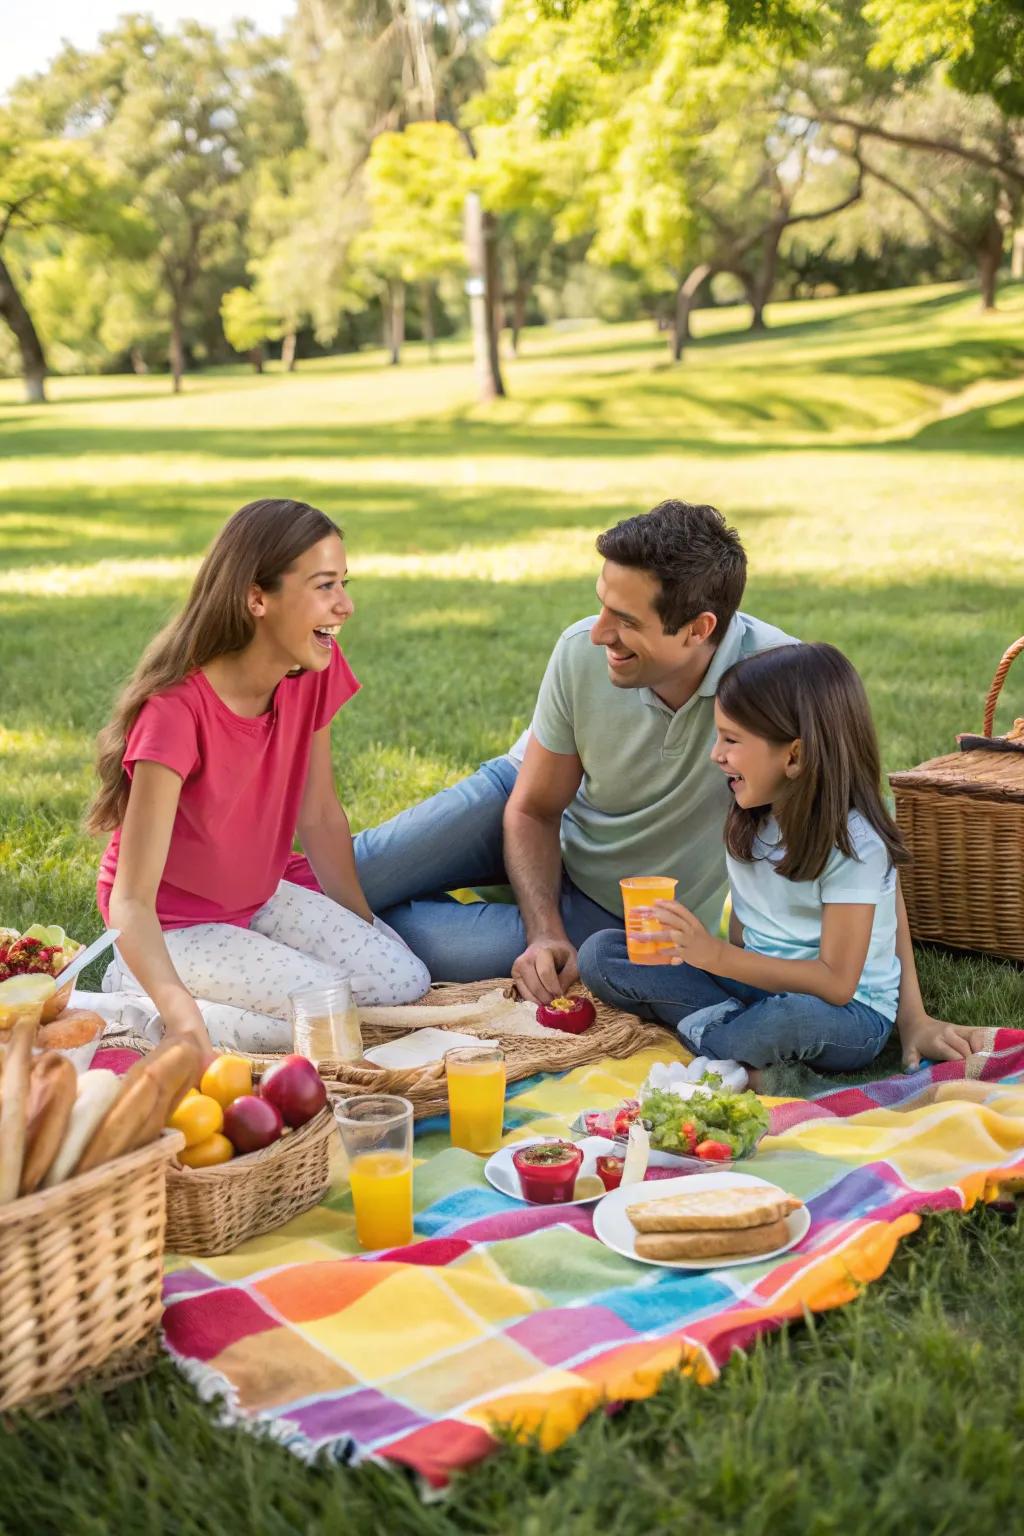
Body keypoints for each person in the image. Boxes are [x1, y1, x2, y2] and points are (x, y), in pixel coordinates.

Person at [355, 499, 978, 1070]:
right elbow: (534, 807)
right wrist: (541, 930)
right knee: (350, 875)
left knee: (407, 943)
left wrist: (912, 1018)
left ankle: (339, 946)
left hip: (609, 898)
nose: (598, 632)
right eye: (602, 604)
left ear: (699, 628)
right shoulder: (581, 651)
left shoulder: (782, 691)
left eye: (624, 619)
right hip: (526, 803)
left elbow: (870, 860)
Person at [87, 498, 430, 1060]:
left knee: (405, 980)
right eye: (324, 586)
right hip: (172, 926)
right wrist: (182, 1015)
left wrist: (363, 929)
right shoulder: (175, 713)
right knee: (318, 1027)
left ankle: (241, 987)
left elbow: (317, 814)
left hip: (258, 898)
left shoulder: (313, 671)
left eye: (344, 582)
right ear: (256, 598)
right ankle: (138, 995)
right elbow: (130, 901)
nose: (345, 605)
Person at [579, 643, 933, 1071]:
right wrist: (696, 951)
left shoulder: (854, 841)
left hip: (845, 1016)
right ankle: (731, 1038)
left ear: (795, 755)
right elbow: (744, 940)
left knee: (786, 1019)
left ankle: (716, 1034)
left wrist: (715, 958)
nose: (716, 753)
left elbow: (837, 983)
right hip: (755, 988)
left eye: (731, 739)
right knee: (603, 953)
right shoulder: (750, 812)